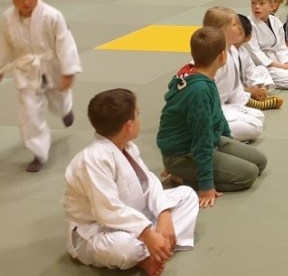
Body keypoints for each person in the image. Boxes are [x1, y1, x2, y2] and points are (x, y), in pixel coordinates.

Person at [63, 89, 199, 276]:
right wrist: (147, 234)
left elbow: (150, 182)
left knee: (187, 195)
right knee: (126, 249)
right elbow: (107, 210)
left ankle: (156, 246)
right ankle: (148, 253)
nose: (139, 119)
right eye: (138, 114)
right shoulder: (93, 160)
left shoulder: (127, 147)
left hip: (134, 218)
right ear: (128, 125)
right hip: (97, 231)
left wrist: (164, 214)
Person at [157, 26, 267, 208]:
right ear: (222, 56)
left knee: (260, 162)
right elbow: (202, 139)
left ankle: (191, 170)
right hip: (183, 154)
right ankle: (182, 177)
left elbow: (218, 116)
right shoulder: (198, 90)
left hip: (208, 142)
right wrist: (206, 185)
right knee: (248, 175)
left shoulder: (200, 76)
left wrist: (228, 143)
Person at [0, 0, 81, 172]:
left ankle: (65, 109)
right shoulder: (7, 18)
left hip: (51, 66)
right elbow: (6, 46)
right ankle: (38, 151)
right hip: (26, 70)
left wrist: (69, 71)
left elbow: (65, 43)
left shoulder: (52, 16)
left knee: (58, 98)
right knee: (29, 113)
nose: (26, 2)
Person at [202, 7, 266, 141]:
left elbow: (234, 91)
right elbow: (202, 93)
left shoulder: (233, 50)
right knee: (255, 126)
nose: (240, 28)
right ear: (221, 30)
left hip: (223, 105)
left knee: (258, 116)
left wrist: (246, 100)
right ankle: (208, 133)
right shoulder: (213, 56)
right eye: (235, 25)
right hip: (208, 110)